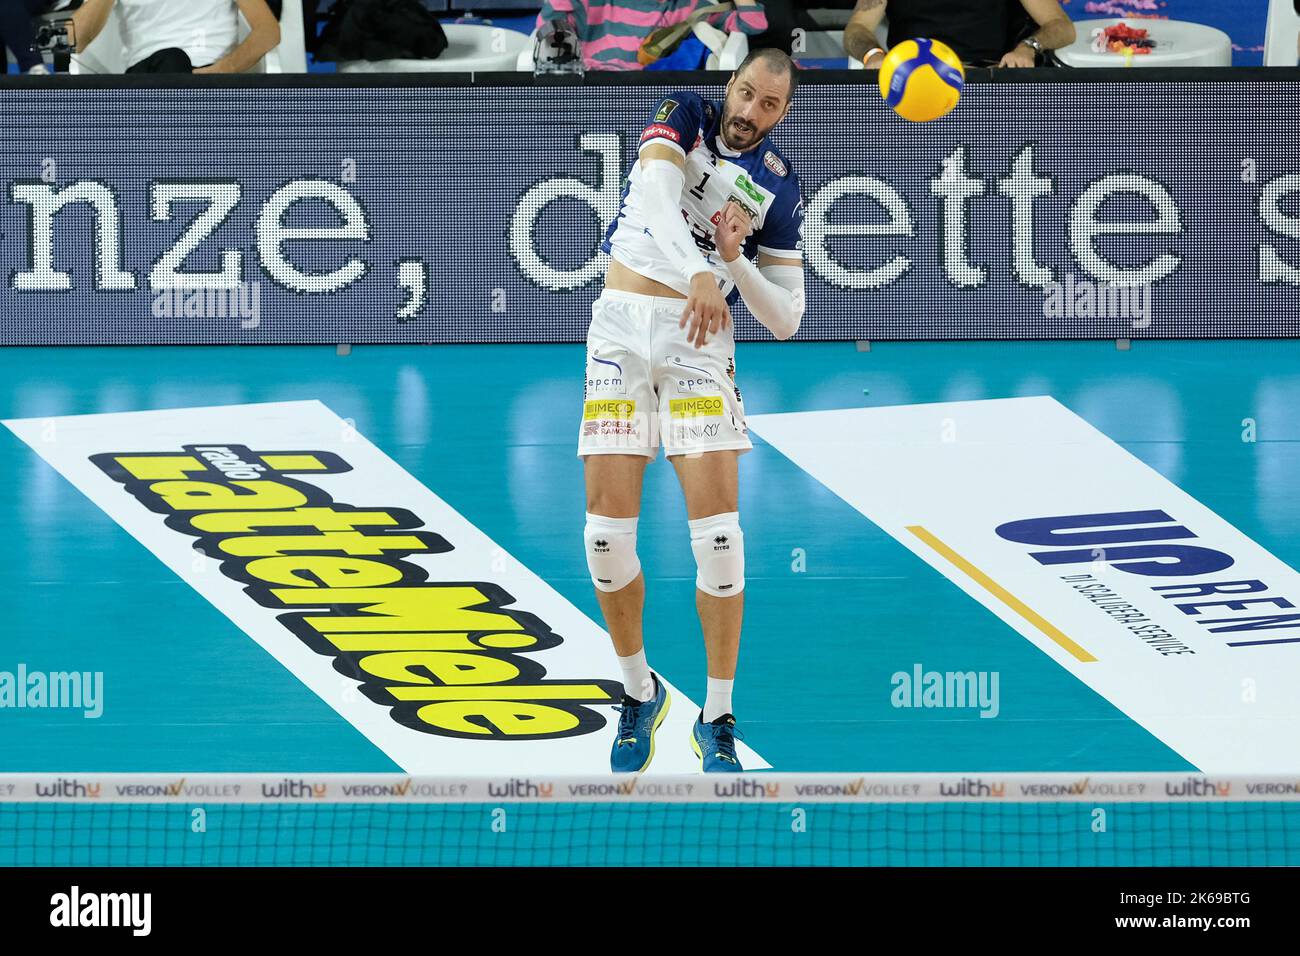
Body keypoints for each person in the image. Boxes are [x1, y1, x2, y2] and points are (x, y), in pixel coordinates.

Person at [579, 48, 805, 772]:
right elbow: (652, 197)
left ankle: (717, 715)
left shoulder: (778, 189)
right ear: (729, 86)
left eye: (767, 105)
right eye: (744, 94)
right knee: (605, 541)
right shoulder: (684, 114)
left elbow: (787, 319)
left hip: (698, 346)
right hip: (621, 329)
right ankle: (640, 692)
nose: (749, 112)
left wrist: (735, 261)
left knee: (719, 541)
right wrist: (703, 269)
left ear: (783, 112)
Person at [535, 0, 768, 71]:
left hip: (649, 95)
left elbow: (753, 23)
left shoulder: (691, 6)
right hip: (591, 86)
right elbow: (549, 23)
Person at [843, 0, 1075, 69]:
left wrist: (1028, 47)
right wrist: (872, 54)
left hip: (988, 81)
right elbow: (857, 28)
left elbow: (1062, 26)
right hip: (913, 80)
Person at [70, 0, 280, 73]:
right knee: (172, 59)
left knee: (175, 60)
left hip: (211, 74)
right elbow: (74, 40)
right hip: (147, 78)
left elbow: (268, 33)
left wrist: (224, 69)